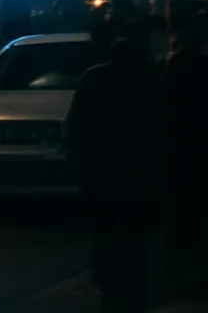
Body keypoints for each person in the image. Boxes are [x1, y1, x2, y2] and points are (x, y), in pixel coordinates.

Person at [65, 20, 167, 313]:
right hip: (141, 176)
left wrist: (80, 159)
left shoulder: (94, 78)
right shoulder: (154, 79)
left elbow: (75, 127)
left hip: (103, 174)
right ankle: (135, 294)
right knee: (137, 242)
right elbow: (166, 127)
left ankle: (109, 290)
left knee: (106, 236)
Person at [162, 12, 208, 301]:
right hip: (195, 151)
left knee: (180, 218)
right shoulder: (199, 69)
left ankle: (179, 274)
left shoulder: (172, 68)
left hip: (179, 153)